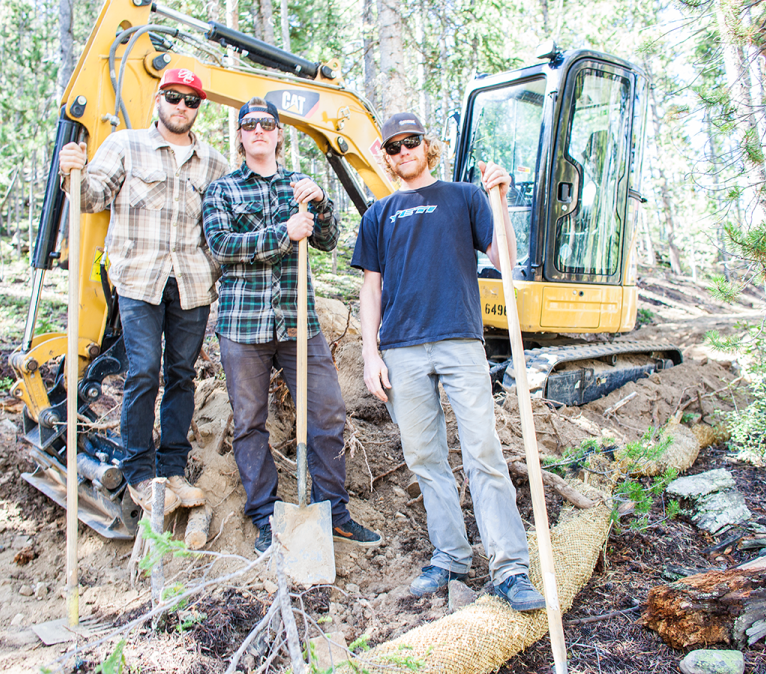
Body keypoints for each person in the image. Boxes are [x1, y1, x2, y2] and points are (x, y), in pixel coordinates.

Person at [351, 112, 545, 611]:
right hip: (400, 349)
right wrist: (370, 353)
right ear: (387, 158)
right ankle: (451, 555)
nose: (403, 152)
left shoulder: (464, 197)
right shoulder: (378, 214)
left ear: (426, 146)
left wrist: (500, 200)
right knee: (425, 458)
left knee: (482, 451)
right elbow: (370, 287)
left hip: (460, 342)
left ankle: (510, 568)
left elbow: (504, 258)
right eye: (393, 147)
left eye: (410, 142)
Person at [202, 97, 382, 554]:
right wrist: (285, 233)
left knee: (326, 414)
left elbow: (326, 240)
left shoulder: (298, 185)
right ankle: (264, 516)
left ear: (279, 134)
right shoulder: (222, 189)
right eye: (249, 124)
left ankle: (334, 513)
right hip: (243, 326)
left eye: (267, 123)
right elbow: (222, 246)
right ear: (240, 136)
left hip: (298, 321)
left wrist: (319, 205)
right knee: (249, 423)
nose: (259, 129)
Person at [57, 69, 229, 515]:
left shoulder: (212, 162)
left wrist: (213, 267)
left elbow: (221, 223)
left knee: (181, 373)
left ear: (198, 108)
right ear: (158, 98)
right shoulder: (125, 146)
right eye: (173, 97)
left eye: (190, 101)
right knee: (143, 371)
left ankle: (172, 466)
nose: (181, 107)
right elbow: (92, 197)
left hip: (191, 283)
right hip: (139, 280)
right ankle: (138, 470)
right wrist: (71, 172)